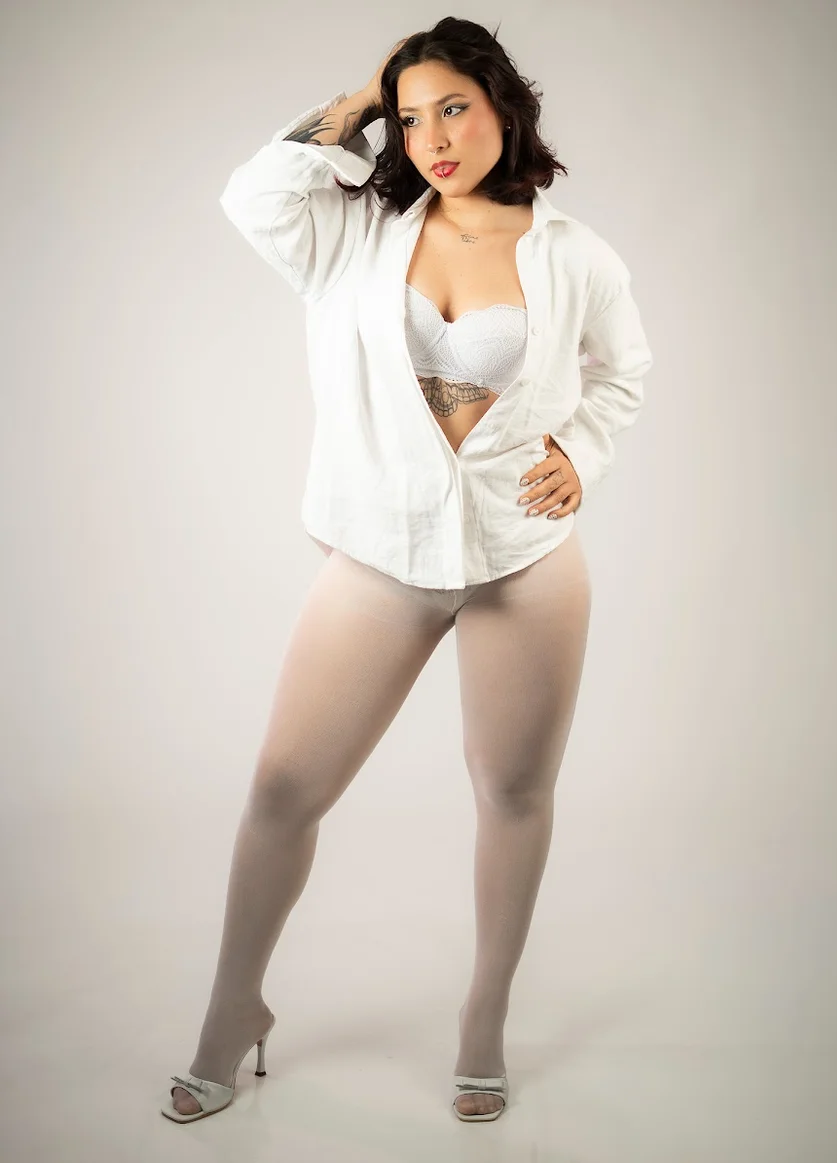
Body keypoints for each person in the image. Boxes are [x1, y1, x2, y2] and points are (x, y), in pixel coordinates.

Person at [161, 16, 652, 1125]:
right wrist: (357, 101)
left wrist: (580, 455)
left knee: (512, 792)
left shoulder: (576, 254)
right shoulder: (354, 233)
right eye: (412, 115)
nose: (432, 136)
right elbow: (251, 197)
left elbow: (623, 374)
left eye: (454, 108)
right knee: (283, 789)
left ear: (503, 107)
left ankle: (484, 1017)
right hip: (381, 552)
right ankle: (233, 1009)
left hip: (524, 559)